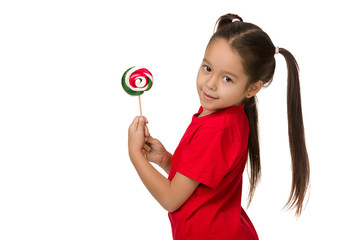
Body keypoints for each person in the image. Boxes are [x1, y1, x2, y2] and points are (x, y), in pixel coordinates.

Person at [127, 13, 310, 240]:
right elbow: (201, 179)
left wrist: (135, 154)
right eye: (207, 68)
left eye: (227, 79)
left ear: (252, 89)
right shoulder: (228, 117)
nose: (210, 84)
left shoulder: (217, 129)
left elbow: (171, 199)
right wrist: (165, 159)